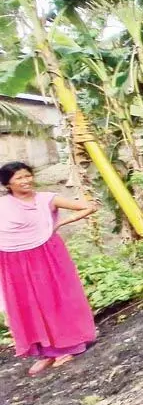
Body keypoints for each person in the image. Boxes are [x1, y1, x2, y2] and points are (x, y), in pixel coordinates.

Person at [0, 161, 99, 376]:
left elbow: (89, 206)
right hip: (12, 259)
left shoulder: (47, 199)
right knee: (26, 303)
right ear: (8, 184)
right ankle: (46, 352)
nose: (26, 181)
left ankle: (66, 347)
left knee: (54, 298)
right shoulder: (3, 206)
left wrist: (61, 224)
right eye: (19, 178)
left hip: (46, 254)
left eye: (28, 175)